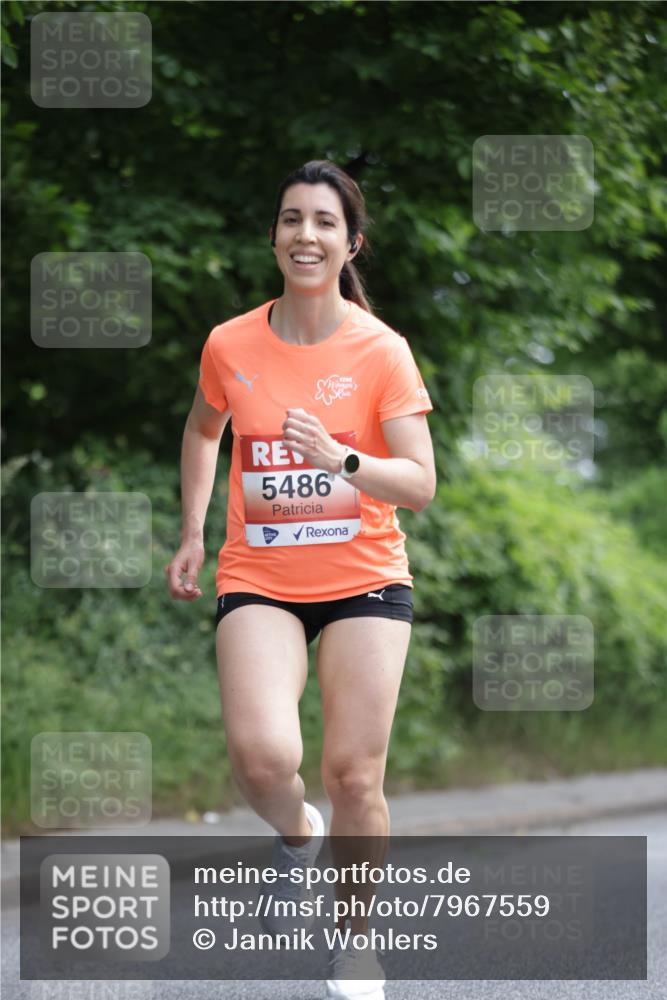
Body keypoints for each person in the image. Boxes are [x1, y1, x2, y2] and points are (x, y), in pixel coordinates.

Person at [166, 159, 436, 1000]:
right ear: (274, 236)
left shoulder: (379, 349)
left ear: (348, 242)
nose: (304, 235)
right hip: (261, 573)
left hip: (364, 576)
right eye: (290, 219)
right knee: (261, 757)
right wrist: (191, 530)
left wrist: (342, 458)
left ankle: (355, 943)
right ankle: (295, 831)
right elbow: (204, 430)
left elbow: (419, 483)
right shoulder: (229, 343)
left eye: (323, 221)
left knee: (355, 772)